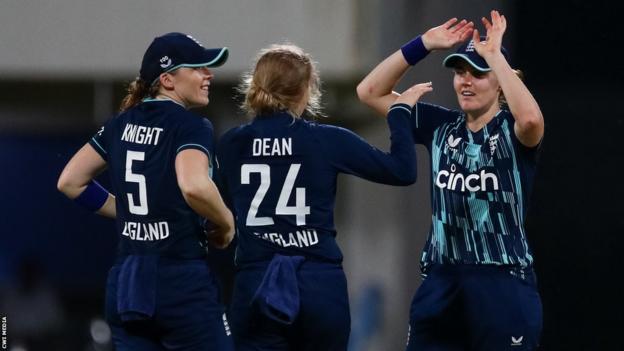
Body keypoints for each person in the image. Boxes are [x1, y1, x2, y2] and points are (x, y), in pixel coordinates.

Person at [217, 43, 427, 351]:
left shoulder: (231, 144)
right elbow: (402, 171)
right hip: (317, 284)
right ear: (306, 90)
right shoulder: (327, 140)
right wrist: (399, 113)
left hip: (256, 279)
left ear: (255, 85)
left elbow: (203, 198)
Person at [357, 11, 544, 351]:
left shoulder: (512, 132)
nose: (465, 81)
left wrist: (496, 59)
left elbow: (530, 119)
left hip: (500, 281)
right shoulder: (439, 125)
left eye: (478, 73)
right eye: (460, 72)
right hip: (442, 281)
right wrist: (422, 45)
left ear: (500, 80)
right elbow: (369, 91)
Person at [57, 32, 235, 351]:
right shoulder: (191, 126)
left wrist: (126, 211)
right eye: (198, 68)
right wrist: (226, 222)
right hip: (180, 280)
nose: (208, 75)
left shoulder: (120, 124)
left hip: (127, 282)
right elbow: (194, 185)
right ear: (167, 79)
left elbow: (70, 181)